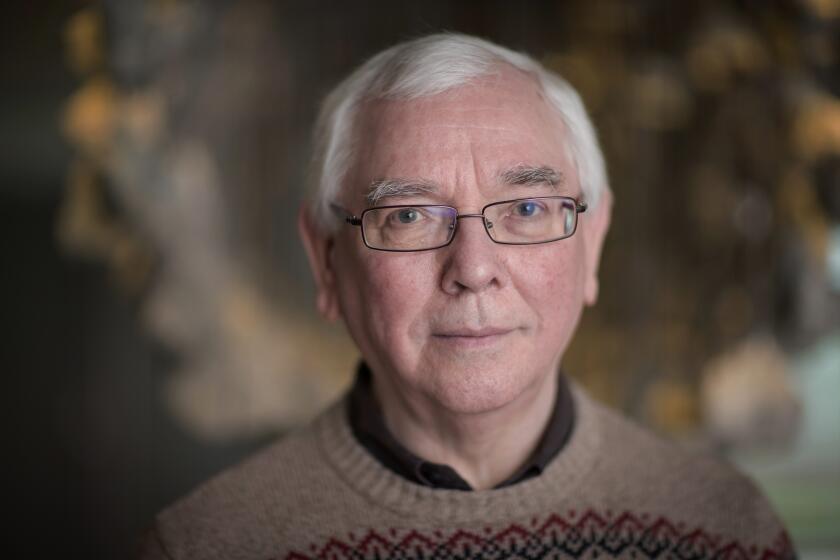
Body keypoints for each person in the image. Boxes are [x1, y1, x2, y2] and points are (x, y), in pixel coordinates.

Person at [140, 33, 795, 559]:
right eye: (409, 216)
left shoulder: (725, 533)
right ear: (327, 260)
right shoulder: (207, 545)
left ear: (591, 244)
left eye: (529, 207)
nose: (474, 267)